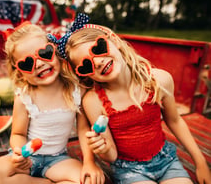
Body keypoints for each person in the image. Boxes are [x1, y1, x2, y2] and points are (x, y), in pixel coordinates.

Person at [51, 13, 211, 184]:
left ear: (114, 42)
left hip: (166, 160)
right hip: (128, 169)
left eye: (98, 49)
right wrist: (103, 149)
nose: (97, 62)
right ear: (85, 75)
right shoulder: (93, 101)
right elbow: (112, 156)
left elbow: (175, 121)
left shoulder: (159, 80)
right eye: (86, 65)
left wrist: (200, 161)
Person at [0, 22, 105, 184]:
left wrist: (89, 162)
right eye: (28, 63)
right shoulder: (24, 96)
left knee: (88, 181)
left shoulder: (76, 90)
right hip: (28, 160)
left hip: (58, 160)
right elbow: (18, 134)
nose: (39, 64)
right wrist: (20, 154)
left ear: (56, 52)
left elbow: (83, 129)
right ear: (20, 73)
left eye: (44, 53)